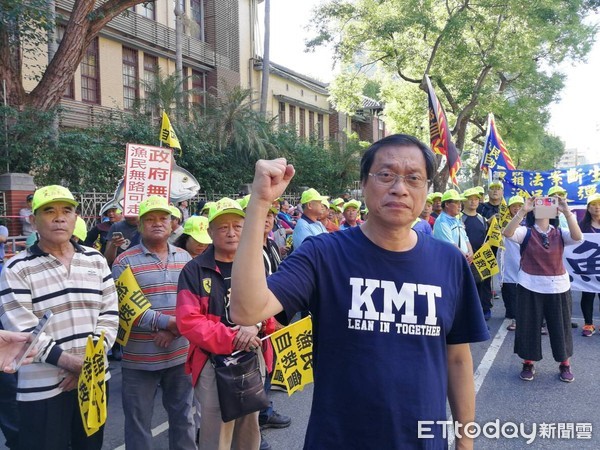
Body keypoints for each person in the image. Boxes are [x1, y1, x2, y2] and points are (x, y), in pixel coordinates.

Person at [230, 134, 489, 449]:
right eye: (386, 175)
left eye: (414, 178)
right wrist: (259, 203)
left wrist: (465, 441)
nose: (399, 188)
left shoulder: (448, 262)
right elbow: (246, 310)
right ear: (364, 184)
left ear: (426, 190)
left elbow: (458, 359)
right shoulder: (323, 253)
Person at [0, 185, 118, 450]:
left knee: (90, 445)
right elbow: (22, 328)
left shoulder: (96, 260)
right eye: (49, 211)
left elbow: (109, 316)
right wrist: (74, 363)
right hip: (41, 388)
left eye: (67, 210)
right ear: (33, 220)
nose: (59, 217)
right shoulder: (16, 268)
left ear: (76, 218)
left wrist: (88, 365)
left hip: (94, 382)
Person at [176, 198, 275, 450]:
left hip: (252, 357)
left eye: (237, 226)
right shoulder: (194, 270)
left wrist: (256, 325)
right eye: (222, 227)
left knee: (249, 429)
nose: (231, 233)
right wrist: (233, 336)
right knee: (216, 433)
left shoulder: (255, 262)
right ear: (210, 232)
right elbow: (189, 321)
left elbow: (269, 305)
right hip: (212, 362)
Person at [112, 195, 196, 450]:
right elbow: (128, 308)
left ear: (173, 224)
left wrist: (173, 331)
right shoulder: (123, 261)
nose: (157, 223)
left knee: (183, 418)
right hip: (139, 360)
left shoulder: (185, 258)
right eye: (150, 219)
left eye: (163, 218)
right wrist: (168, 323)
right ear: (140, 226)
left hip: (181, 355)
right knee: (138, 424)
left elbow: (195, 306)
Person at [503, 196, 583, 382]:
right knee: (529, 326)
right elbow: (507, 233)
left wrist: (566, 210)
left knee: (560, 327)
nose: (544, 208)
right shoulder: (526, 232)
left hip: (558, 287)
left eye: (549, 205)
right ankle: (528, 363)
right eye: (540, 205)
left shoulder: (561, 232)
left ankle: (565, 364)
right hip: (529, 285)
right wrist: (524, 210)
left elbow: (578, 237)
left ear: (554, 211)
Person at [461, 187, 492, 320]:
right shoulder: (459, 218)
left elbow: (488, 237)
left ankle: (484, 311)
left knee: (483, 287)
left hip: (481, 259)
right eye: (470, 199)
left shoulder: (482, 219)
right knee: (466, 288)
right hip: (465, 259)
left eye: (476, 199)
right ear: (464, 201)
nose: (473, 202)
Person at [498, 196, 525, 331]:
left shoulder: (529, 223)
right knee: (510, 289)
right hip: (508, 261)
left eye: (520, 206)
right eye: (514, 206)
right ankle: (513, 315)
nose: (517, 209)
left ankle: (524, 317)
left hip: (524, 261)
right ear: (508, 209)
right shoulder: (503, 222)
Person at [578, 193, 600, 337]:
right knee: (587, 294)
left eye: (599, 204)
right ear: (588, 208)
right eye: (593, 204)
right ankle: (588, 323)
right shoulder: (582, 225)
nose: (597, 207)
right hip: (588, 265)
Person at [433, 189, 474, 264]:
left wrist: (471, 252)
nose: (459, 205)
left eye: (460, 202)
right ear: (447, 204)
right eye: (456, 202)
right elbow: (450, 244)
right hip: (450, 263)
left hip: (461, 261)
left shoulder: (456, 219)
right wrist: (464, 256)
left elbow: (465, 238)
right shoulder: (442, 221)